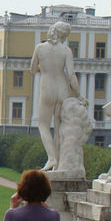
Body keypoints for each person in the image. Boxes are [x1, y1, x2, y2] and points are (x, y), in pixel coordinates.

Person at [30, 21, 80, 171]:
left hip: (47, 89)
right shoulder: (66, 50)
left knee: (43, 125)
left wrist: (44, 69)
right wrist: (79, 95)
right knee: (59, 128)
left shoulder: (40, 48)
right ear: (63, 35)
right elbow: (71, 76)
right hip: (62, 88)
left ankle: (52, 158)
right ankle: (59, 163)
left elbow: (32, 69)